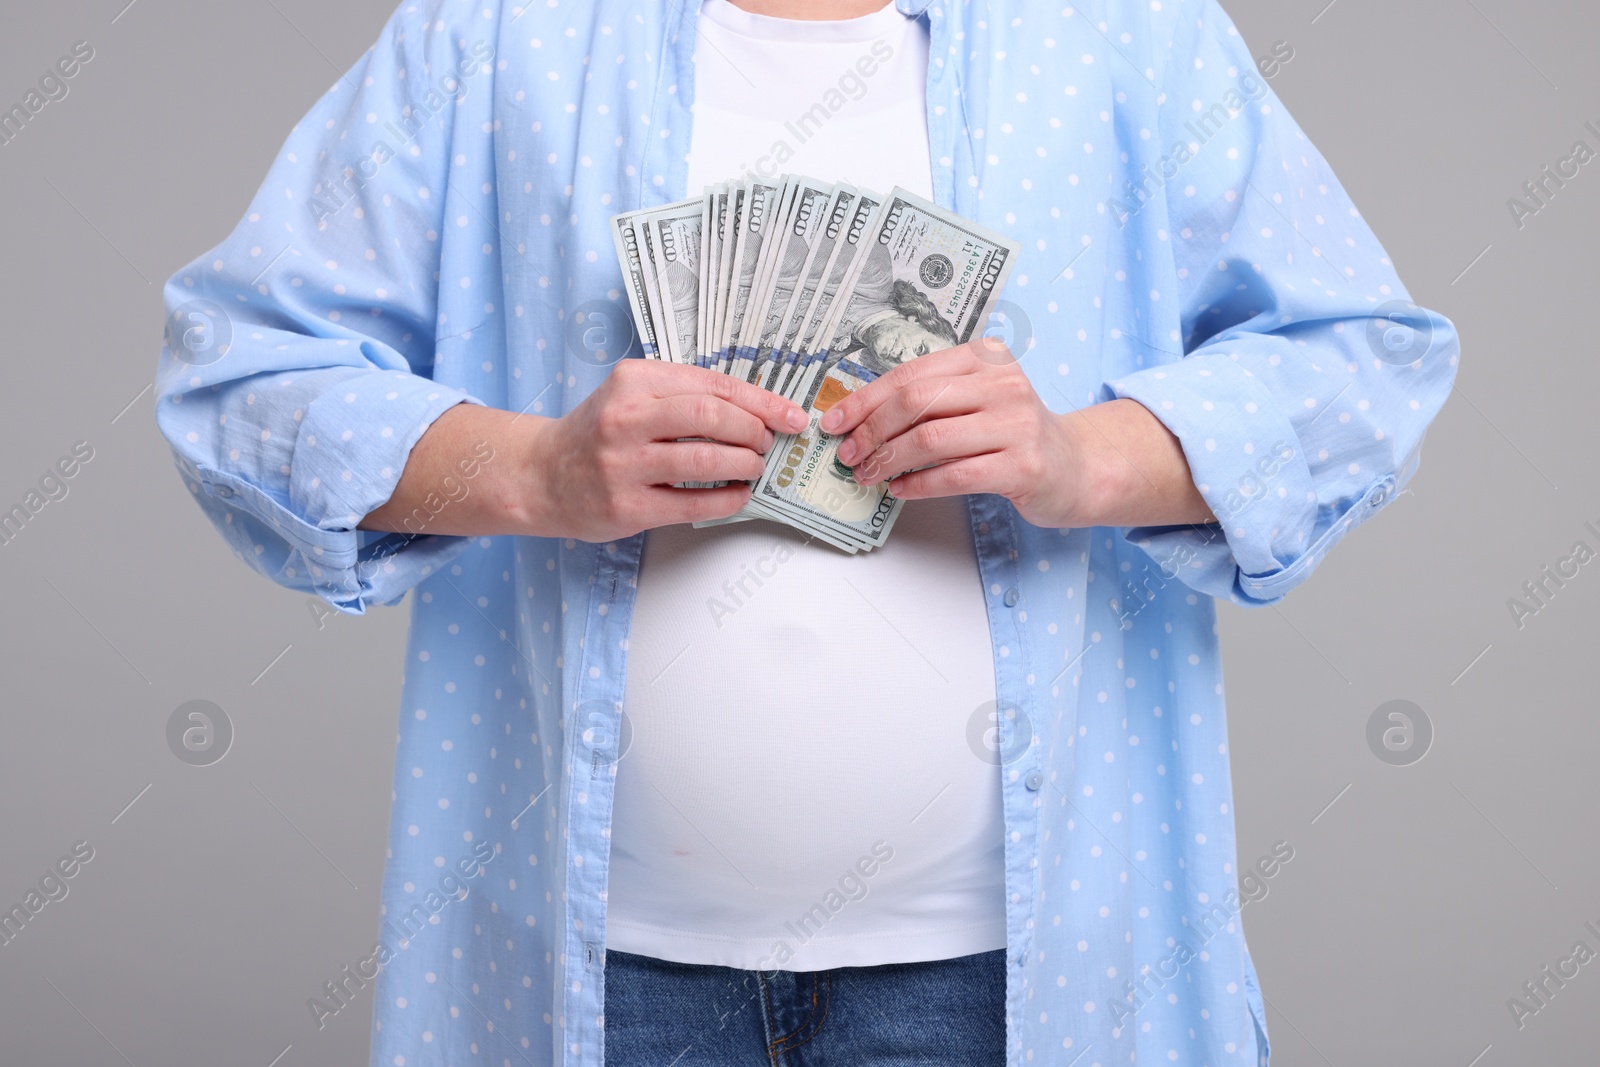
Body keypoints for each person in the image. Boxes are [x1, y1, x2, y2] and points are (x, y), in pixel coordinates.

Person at [151, 0, 1458, 1064]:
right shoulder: (490, 33)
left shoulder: (1128, 33)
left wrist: (1076, 458)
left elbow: (1361, 365)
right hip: (589, 987)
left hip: (1027, 990)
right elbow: (241, 376)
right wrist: (540, 471)